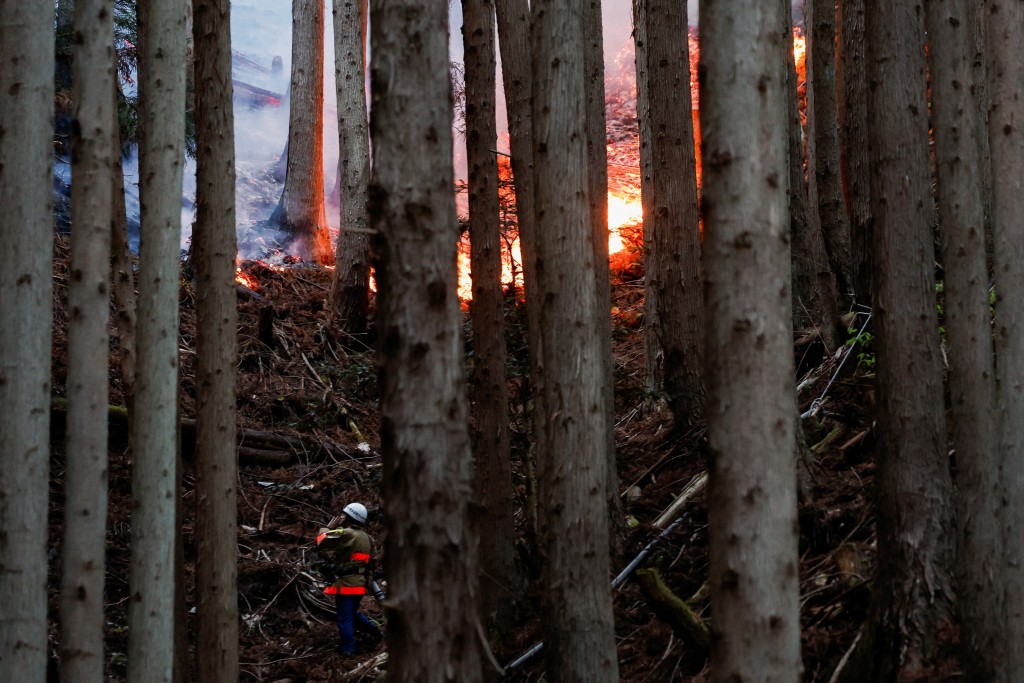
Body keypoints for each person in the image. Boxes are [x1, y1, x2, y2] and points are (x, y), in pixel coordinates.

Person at [315, 502, 383, 654]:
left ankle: (348, 649)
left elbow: (321, 541)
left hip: (347, 585)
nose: (341, 517)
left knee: (344, 619)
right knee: (352, 614)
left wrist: (328, 527)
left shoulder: (345, 533)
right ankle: (376, 633)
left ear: (350, 517)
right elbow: (372, 563)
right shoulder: (368, 538)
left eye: (344, 515)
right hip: (360, 585)